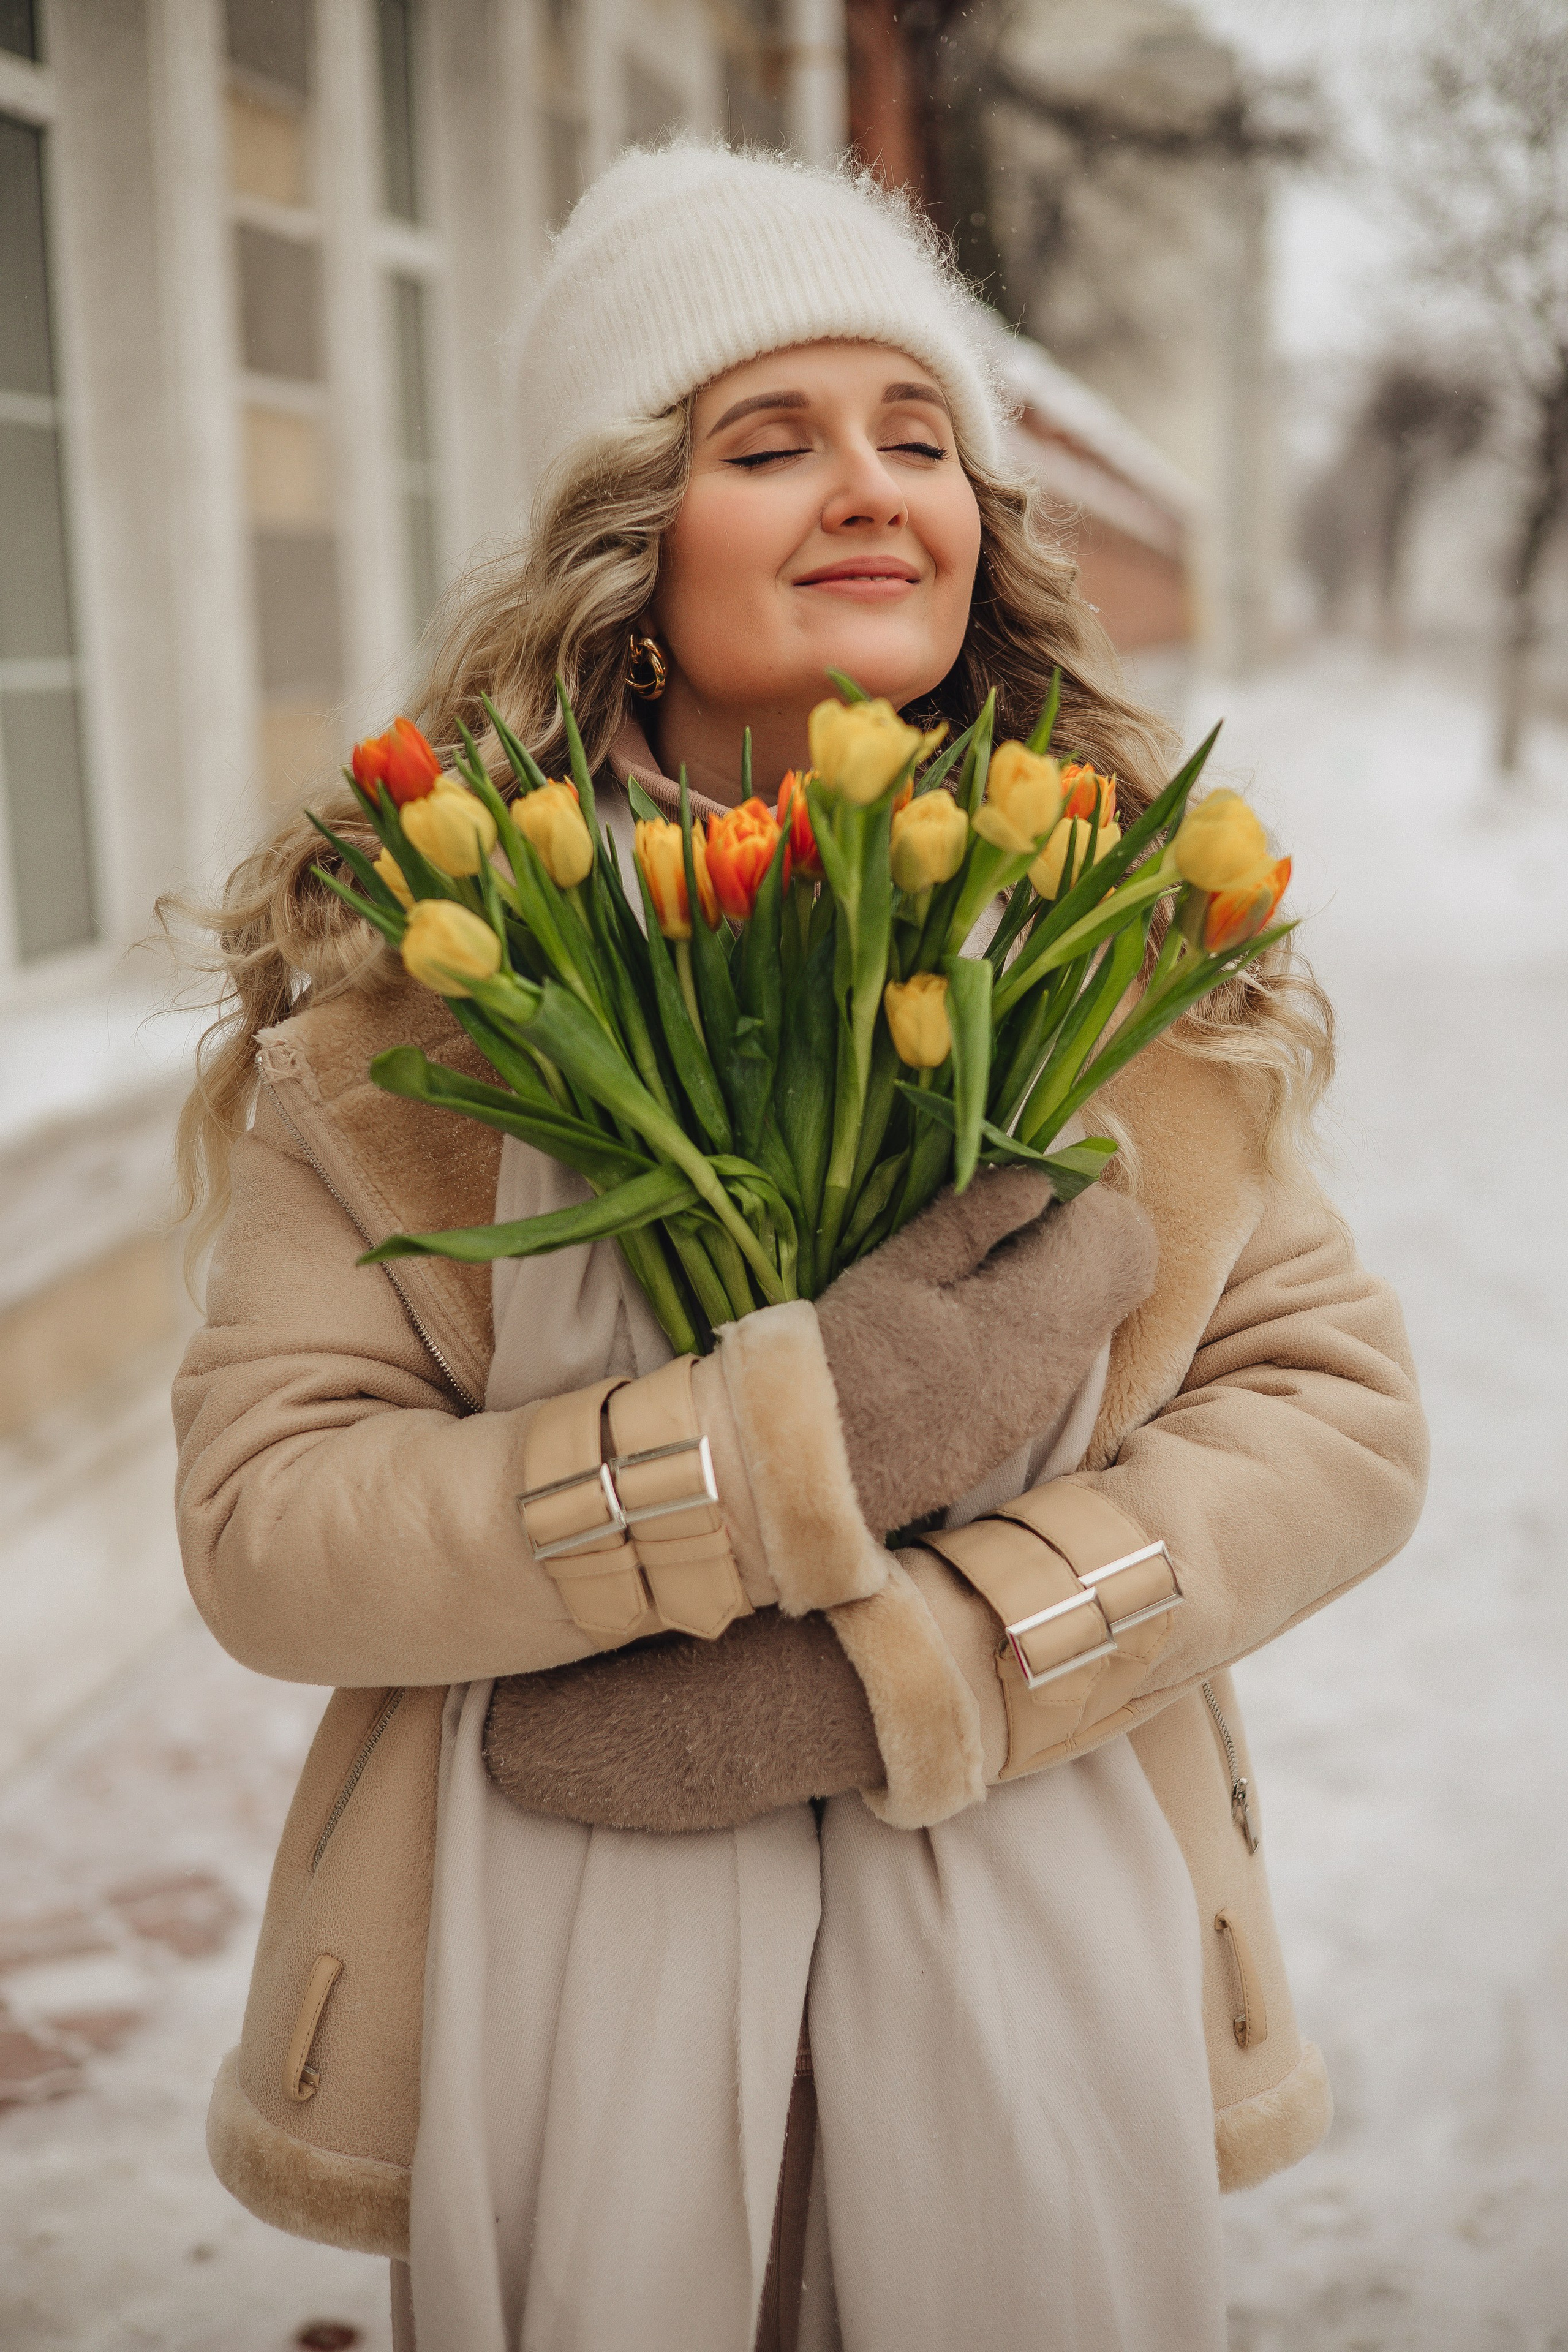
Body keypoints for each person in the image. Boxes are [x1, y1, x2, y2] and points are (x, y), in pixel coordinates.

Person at [171, 144, 1427, 2352]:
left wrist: (919, 1659)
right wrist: (764, 1457)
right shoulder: (415, 1007)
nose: (871, 485)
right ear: (627, 549)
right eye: (771, 441)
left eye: (918, 435)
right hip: (555, 1955)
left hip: (1052, 1915)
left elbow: (1334, 1420)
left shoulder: (1114, 955)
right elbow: (274, 1524)